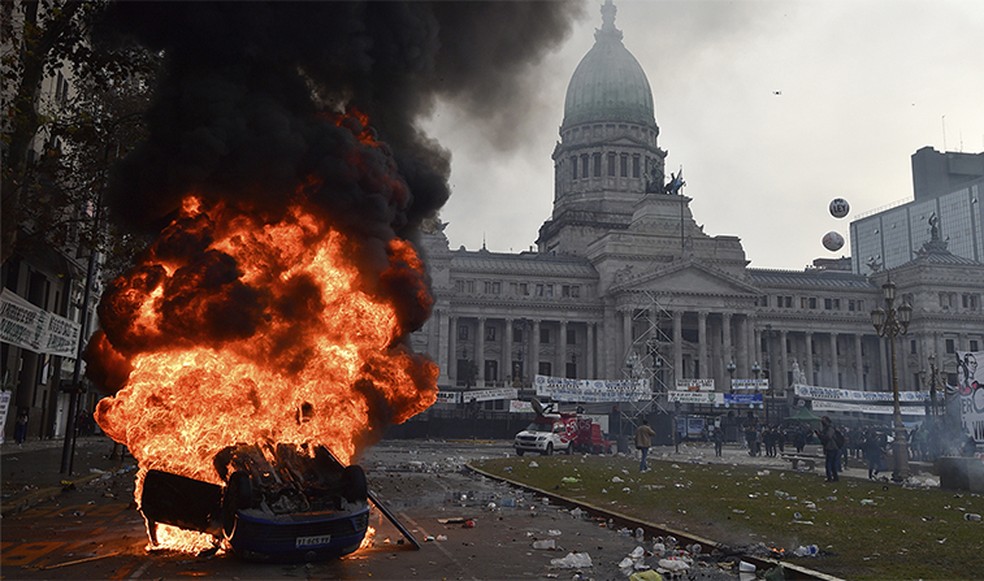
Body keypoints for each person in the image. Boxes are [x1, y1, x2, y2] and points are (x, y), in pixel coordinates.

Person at [816, 416, 843, 482]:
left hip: (832, 447)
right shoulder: (828, 428)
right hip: (831, 447)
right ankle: (835, 478)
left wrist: (820, 435)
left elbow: (828, 437)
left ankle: (830, 478)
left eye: (823, 421)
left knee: (829, 464)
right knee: (832, 464)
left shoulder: (830, 428)